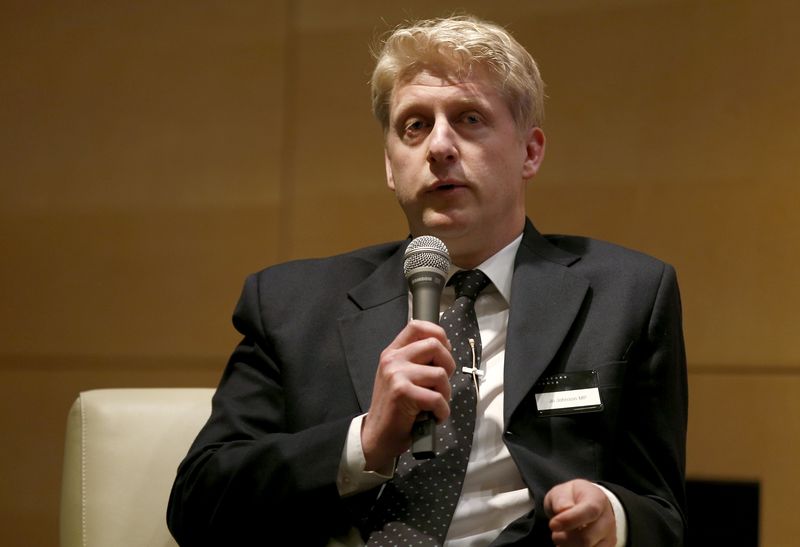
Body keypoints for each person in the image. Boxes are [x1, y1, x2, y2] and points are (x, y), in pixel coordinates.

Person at [167, 15, 687, 546]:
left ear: (530, 152)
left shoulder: (626, 296)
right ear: (392, 166)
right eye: (415, 125)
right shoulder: (289, 305)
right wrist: (364, 442)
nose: (439, 146)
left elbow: (661, 514)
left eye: (469, 119)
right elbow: (197, 505)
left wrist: (613, 521)